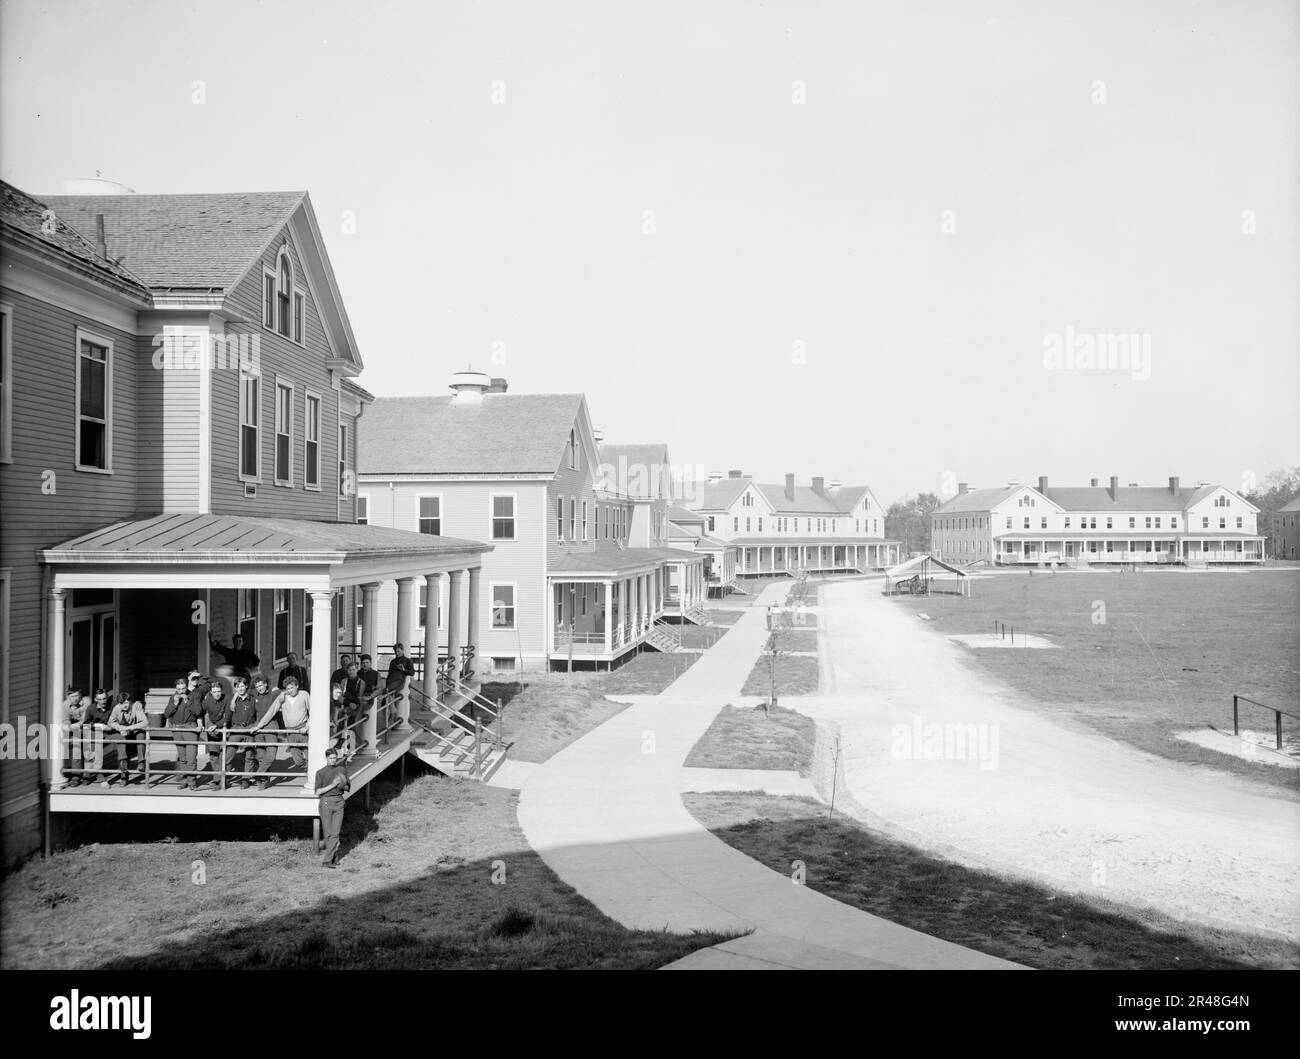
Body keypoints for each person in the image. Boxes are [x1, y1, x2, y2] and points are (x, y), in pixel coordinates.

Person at [249, 675, 309, 771]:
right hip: (290, 732)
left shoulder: (304, 695)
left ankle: (314, 777)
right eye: (288, 689)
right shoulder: (283, 697)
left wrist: (308, 726)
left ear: (297, 686)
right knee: (298, 761)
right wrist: (258, 726)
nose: (290, 690)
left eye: (292, 688)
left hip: (303, 730)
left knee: (311, 756)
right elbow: (271, 711)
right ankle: (310, 770)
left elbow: (312, 711)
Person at [164, 675, 204, 789]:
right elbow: (166, 714)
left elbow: (198, 711)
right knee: (183, 758)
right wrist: (175, 704)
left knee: (191, 757)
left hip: (190, 728)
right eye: (178, 689)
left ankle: (192, 782)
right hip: (177, 729)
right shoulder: (173, 698)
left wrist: (187, 701)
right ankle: (185, 780)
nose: (181, 691)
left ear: (186, 687)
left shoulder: (194, 696)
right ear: (176, 689)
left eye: (183, 688)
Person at [313, 747, 351, 868]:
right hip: (326, 803)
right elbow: (317, 791)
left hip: (339, 801)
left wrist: (342, 785)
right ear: (326, 758)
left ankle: (327, 860)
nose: (333, 760)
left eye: (335, 758)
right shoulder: (320, 772)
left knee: (335, 832)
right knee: (328, 833)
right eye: (330, 758)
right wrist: (333, 784)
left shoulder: (342, 770)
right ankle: (332, 857)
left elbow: (348, 788)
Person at [224, 676, 259, 789]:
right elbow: (227, 717)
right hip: (236, 729)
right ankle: (226, 778)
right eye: (238, 687)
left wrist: (254, 726)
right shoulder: (232, 700)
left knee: (249, 756)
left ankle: (246, 779)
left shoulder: (252, 699)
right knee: (228, 755)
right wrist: (233, 700)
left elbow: (258, 714)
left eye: (243, 686)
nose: (241, 688)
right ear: (235, 688)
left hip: (249, 729)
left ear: (247, 686)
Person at [107, 691, 148, 786]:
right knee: (122, 746)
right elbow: (110, 722)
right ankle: (124, 776)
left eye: (126, 702)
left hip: (135, 731)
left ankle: (141, 762)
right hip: (124, 733)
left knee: (141, 735)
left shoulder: (136, 707)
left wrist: (128, 728)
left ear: (130, 701)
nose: (124, 705)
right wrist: (120, 728)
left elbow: (145, 723)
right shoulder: (117, 708)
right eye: (121, 703)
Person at [249, 674, 283, 790]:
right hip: (258, 729)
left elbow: (284, 692)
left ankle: (258, 774)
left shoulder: (273, 694)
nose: (259, 688)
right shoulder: (254, 694)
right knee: (261, 757)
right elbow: (240, 691)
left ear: (266, 684)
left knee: (271, 755)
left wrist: (276, 689)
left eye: (261, 685)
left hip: (271, 726)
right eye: (257, 686)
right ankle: (264, 781)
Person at [197, 679, 230, 788]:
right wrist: (201, 723)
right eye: (215, 691)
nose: (217, 694)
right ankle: (216, 779)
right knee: (214, 755)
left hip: (225, 727)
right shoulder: (207, 702)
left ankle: (225, 779)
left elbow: (228, 717)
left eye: (219, 691)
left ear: (221, 691)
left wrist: (218, 725)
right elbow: (199, 713)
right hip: (212, 728)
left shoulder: (226, 699)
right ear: (211, 692)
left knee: (225, 755)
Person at [82, 689, 113, 787]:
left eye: (104, 698)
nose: (103, 701)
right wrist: (97, 725)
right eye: (100, 699)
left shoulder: (111, 707)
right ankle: (95, 773)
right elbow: (86, 723)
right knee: (90, 741)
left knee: (95, 738)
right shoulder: (91, 708)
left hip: (106, 732)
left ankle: (89, 774)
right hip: (92, 731)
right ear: (95, 699)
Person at [340, 663, 370, 752]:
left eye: (353, 670)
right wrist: (349, 702)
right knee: (343, 725)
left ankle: (356, 746)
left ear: (356, 670)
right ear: (347, 671)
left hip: (357, 708)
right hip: (347, 706)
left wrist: (347, 695)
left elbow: (359, 699)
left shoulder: (361, 682)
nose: (351, 672)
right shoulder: (344, 681)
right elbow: (340, 697)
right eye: (350, 670)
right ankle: (347, 746)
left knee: (352, 726)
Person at [61, 690, 86, 787]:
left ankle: (82, 775)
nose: (75, 698)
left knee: (85, 748)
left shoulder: (86, 702)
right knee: (75, 746)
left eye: (77, 696)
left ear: (80, 696)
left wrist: (73, 726)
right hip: (73, 729)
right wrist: (70, 726)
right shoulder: (65, 705)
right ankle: (75, 775)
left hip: (86, 727)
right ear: (68, 697)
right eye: (72, 696)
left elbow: (85, 720)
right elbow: (66, 721)